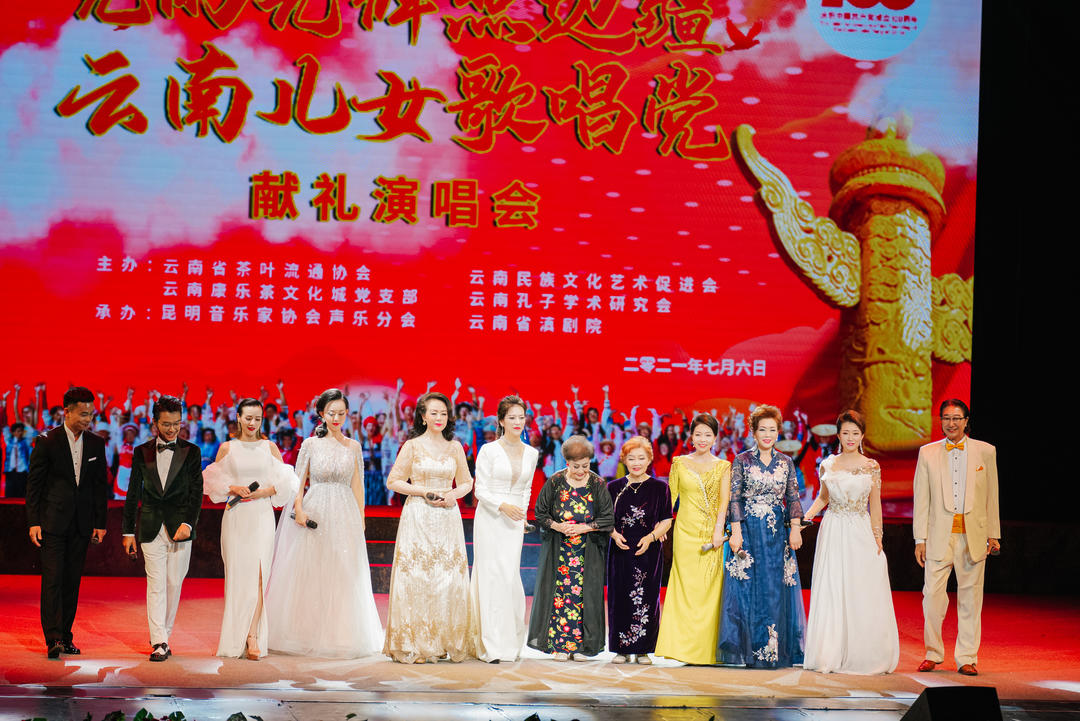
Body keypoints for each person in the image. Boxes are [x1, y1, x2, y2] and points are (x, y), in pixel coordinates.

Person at [264, 388, 382, 658]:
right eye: (331, 413)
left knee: (344, 571)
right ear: (321, 414)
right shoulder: (310, 444)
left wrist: (361, 518)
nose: (336, 418)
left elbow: (358, 486)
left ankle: (341, 634)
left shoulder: (354, 446)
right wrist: (298, 509)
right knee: (312, 571)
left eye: (341, 413)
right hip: (315, 509)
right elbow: (298, 481)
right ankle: (306, 632)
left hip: (345, 514)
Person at [802, 410, 898, 674]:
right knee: (833, 587)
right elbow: (823, 497)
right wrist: (806, 517)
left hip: (860, 530)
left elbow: (875, 505)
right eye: (846, 433)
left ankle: (861, 652)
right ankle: (831, 651)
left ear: (862, 435)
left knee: (860, 588)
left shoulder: (871, 466)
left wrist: (878, 537)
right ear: (838, 435)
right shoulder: (828, 464)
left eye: (855, 433)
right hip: (833, 529)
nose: (850, 438)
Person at [203, 398, 298, 660]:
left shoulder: (269, 447)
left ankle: (253, 635)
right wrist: (233, 488)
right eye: (248, 418)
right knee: (237, 576)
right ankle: (235, 635)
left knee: (259, 575)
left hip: (261, 515)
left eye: (257, 419)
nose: (253, 423)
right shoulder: (228, 448)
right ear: (238, 417)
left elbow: (287, 481)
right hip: (236, 516)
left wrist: (263, 492)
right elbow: (212, 481)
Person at [383, 391, 474, 663]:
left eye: (443, 413)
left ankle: (442, 642)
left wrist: (452, 495)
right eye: (433, 413)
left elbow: (467, 482)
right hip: (418, 515)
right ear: (422, 416)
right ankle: (415, 644)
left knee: (447, 579)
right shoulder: (412, 446)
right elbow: (393, 481)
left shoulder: (455, 447)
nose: (439, 418)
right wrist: (423, 491)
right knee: (417, 577)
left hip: (447, 517)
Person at [913, 399, 1000, 676]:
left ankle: (966, 657)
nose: (951, 423)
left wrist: (994, 534)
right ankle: (932, 653)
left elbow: (992, 495)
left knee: (971, 598)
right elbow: (921, 499)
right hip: (939, 535)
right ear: (941, 421)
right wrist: (919, 539)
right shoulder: (927, 453)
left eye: (956, 418)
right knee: (932, 597)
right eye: (947, 418)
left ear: (966, 421)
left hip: (973, 534)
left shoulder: (985, 451)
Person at [718, 404, 806, 668]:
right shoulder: (741, 460)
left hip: (777, 533)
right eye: (762, 430)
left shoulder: (786, 462)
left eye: (772, 430)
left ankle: (774, 649)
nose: (767, 435)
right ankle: (750, 649)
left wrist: (795, 528)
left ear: (778, 432)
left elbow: (793, 498)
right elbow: (734, 499)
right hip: (748, 531)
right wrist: (735, 532)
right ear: (753, 432)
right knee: (748, 589)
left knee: (775, 588)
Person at [25, 386, 108, 658]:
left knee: (72, 582)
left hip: (82, 525)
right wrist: (33, 521)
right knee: (53, 580)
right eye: (83, 414)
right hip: (52, 523)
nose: (88, 419)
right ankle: (53, 639)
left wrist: (100, 523)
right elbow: (34, 485)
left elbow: (100, 486)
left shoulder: (96, 443)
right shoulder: (47, 441)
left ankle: (66, 636)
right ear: (67, 412)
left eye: (91, 414)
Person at [122, 395, 204, 662]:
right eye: (166, 424)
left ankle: (163, 636)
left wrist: (188, 523)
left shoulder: (191, 451)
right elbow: (132, 493)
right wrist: (127, 531)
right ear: (154, 423)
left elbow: (197, 492)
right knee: (156, 584)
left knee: (174, 584)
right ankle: (159, 641)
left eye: (176, 424)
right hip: (150, 527)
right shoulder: (141, 451)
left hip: (180, 528)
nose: (172, 429)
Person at [527, 435, 614, 661]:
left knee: (585, 596)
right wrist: (559, 526)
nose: (581, 471)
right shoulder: (555, 482)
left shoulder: (597, 484)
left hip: (587, 551)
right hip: (560, 549)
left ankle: (582, 646)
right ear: (567, 463)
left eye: (585, 466)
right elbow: (540, 513)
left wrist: (583, 528)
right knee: (560, 595)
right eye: (576, 467)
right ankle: (560, 645)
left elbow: (607, 518)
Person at [467, 395, 538, 663]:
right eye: (512, 417)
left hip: (514, 521)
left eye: (521, 417)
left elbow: (527, 489)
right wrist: (503, 506)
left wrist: (522, 515)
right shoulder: (489, 450)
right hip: (491, 517)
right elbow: (480, 490)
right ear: (501, 421)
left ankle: (509, 641)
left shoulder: (531, 453)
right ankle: (490, 644)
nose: (518, 422)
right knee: (491, 576)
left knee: (509, 577)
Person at [655, 414, 730, 664]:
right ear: (691, 436)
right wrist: (662, 526)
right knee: (685, 589)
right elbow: (670, 498)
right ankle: (683, 650)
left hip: (711, 535)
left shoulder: (724, 466)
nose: (702, 439)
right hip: (685, 534)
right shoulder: (679, 463)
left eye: (708, 435)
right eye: (698, 434)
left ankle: (707, 651)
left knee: (709, 590)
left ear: (715, 438)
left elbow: (724, 503)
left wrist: (718, 531)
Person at [607, 436, 672, 664]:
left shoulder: (660, 488)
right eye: (631, 458)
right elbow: (605, 519)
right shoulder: (613, 487)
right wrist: (613, 534)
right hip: (620, 549)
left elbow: (667, 519)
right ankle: (621, 649)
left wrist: (651, 537)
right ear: (624, 460)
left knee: (647, 597)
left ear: (649, 459)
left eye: (641, 458)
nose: (636, 463)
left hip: (649, 551)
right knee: (620, 597)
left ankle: (643, 650)